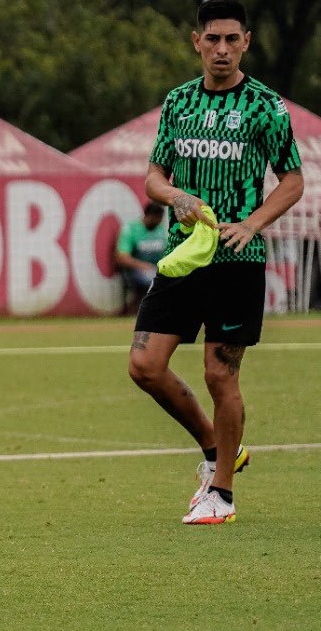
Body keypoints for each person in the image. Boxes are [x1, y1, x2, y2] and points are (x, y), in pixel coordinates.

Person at [130, 0, 303, 525]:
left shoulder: (267, 107)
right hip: (183, 254)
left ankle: (221, 495)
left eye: (232, 39)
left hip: (237, 258)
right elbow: (154, 177)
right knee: (144, 366)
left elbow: (292, 181)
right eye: (213, 40)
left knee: (219, 375)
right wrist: (174, 196)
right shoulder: (178, 102)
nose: (222, 49)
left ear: (246, 41)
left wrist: (252, 223)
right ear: (196, 42)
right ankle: (215, 448)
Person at [115, 202, 167, 301]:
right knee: (154, 279)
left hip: (158, 269)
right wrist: (144, 266)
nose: (159, 222)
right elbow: (122, 258)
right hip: (136, 272)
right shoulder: (131, 229)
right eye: (158, 218)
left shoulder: (160, 230)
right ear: (150, 216)